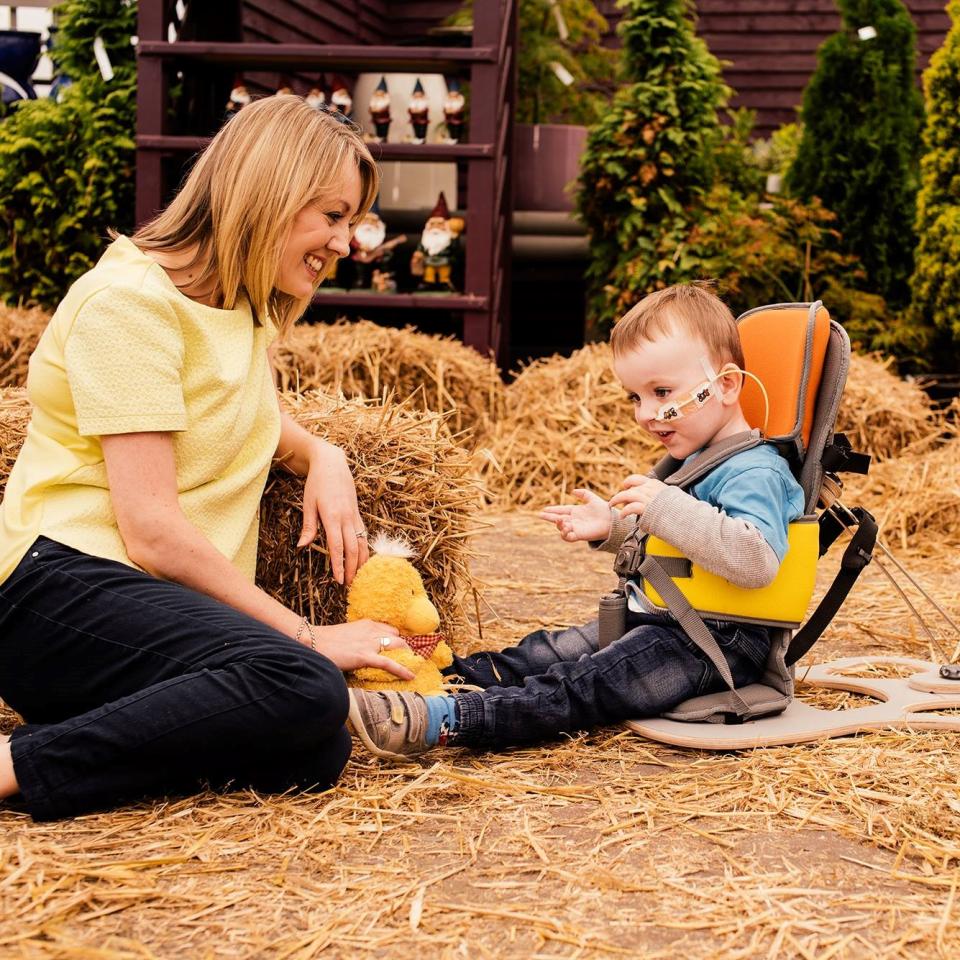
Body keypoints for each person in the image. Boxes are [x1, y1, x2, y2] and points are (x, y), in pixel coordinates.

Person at [0, 95, 415, 821]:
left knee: (314, 753)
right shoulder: (128, 303)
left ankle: (76, 747)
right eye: (333, 215)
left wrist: (325, 453)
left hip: (147, 607)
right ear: (271, 194)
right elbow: (152, 532)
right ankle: (11, 769)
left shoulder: (238, 307)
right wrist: (310, 636)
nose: (348, 242)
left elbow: (248, 420)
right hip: (55, 590)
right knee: (305, 685)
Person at [348, 283, 806, 758]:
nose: (645, 415)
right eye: (635, 397)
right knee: (542, 652)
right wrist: (613, 528)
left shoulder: (757, 471)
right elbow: (691, 553)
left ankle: (449, 719)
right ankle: (431, 679)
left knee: (582, 685)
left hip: (717, 644)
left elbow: (755, 561)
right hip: (664, 620)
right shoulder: (703, 461)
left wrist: (664, 506)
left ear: (726, 385)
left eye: (661, 393)